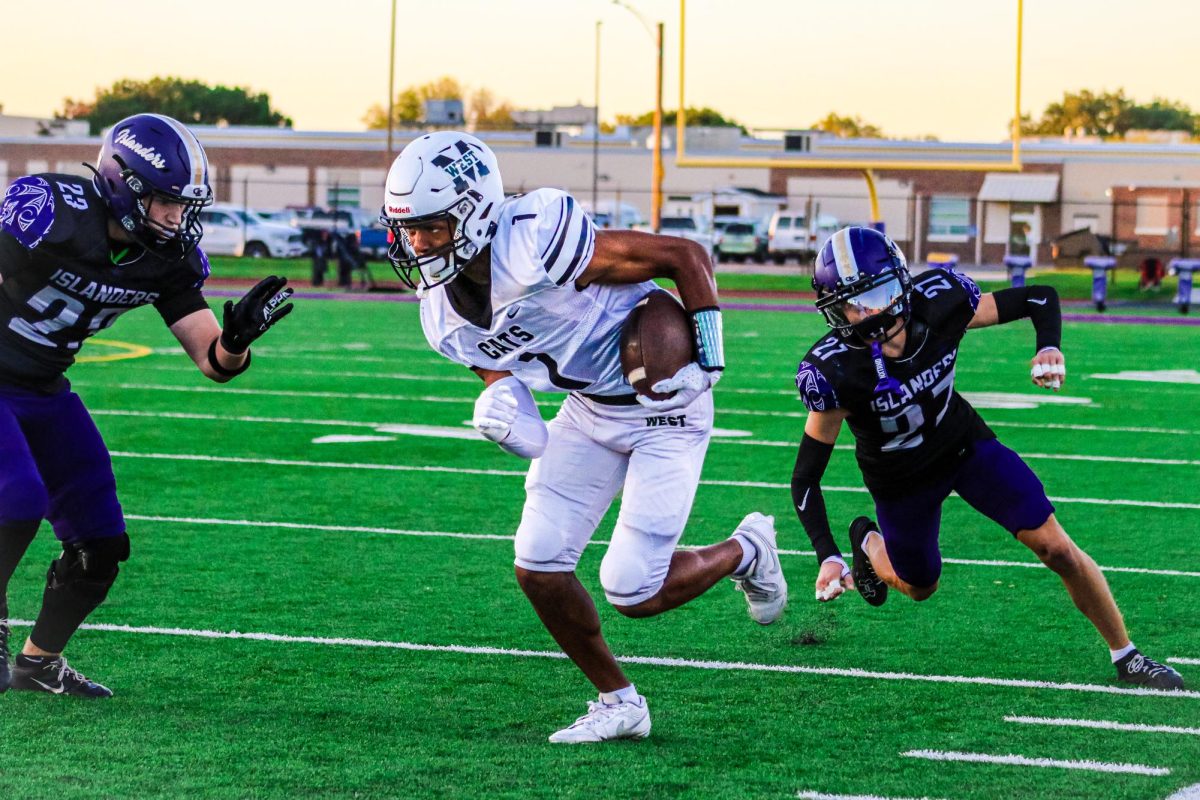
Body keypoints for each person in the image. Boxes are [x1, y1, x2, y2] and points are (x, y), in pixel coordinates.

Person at [380, 131, 787, 743]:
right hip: (588, 409)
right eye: (406, 229)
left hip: (664, 407)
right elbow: (498, 371)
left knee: (633, 589)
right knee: (538, 563)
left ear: (474, 210)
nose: (416, 243)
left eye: (431, 227)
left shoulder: (536, 238)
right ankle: (619, 701)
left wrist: (707, 359)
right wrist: (500, 407)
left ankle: (747, 548)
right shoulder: (439, 310)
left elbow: (685, 254)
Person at [791, 226, 1183, 691]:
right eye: (851, 304)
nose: (868, 312)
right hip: (899, 479)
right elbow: (806, 479)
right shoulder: (833, 369)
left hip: (962, 444)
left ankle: (1128, 657)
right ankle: (868, 542)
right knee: (920, 586)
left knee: (1056, 547)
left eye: (877, 292)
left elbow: (1039, 297)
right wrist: (828, 555)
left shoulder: (940, 300)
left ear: (901, 281)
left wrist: (1048, 345)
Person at [0, 113, 294, 698]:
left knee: (101, 543)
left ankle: (39, 664)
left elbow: (212, 362)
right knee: (17, 495)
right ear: (123, 183)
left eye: (183, 204)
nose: (176, 216)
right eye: (164, 200)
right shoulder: (48, 210)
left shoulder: (167, 259)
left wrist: (235, 340)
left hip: (44, 388)